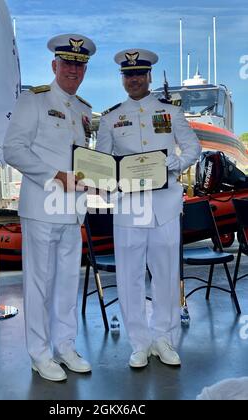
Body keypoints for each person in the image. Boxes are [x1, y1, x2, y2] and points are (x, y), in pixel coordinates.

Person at [96, 48, 201, 368]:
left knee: (166, 275)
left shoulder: (170, 111)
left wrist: (176, 163)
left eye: (139, 74)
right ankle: (139, 342)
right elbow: (102, 162)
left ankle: (164, 339)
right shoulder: (112, 117)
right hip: (128, 207)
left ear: (149, 76)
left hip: (164, 205)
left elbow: (193, 147)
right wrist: (107, 183)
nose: (134, 80)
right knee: (129, 277)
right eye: (128, 75)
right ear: (123, 79)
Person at [3, 34, 96, 382]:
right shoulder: (33, 100)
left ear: (85, 70)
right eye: (68, 63)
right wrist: (54, 175)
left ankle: (65, 346)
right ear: (54, 65)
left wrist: (96, 181)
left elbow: (84, 163)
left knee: (67, 283)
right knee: (40, 284)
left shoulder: (84, 110)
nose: (73, 70)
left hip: (73, 210)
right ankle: (40, 354)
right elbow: (13, 149)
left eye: (80, 65)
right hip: (42, 206)